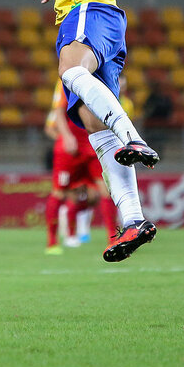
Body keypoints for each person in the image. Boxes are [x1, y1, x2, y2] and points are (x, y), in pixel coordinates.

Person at [36, 0, 179, 263]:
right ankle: (134, 219)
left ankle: (135, 136)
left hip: (89, 12)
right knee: (94, 127)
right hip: (97, 14)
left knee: (70, 75)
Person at [42, 80, 118, 255]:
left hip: (92, 146)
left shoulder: (100, 79)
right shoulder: (66, 81)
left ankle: (113, 239)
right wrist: (66, 137)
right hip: (70, 149)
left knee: (105, 191)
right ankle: (52, 242)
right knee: (60, 193)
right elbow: (58, 112)